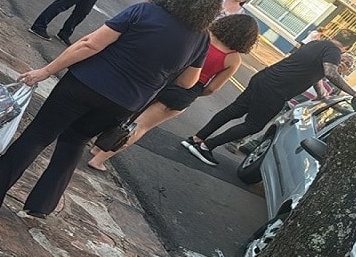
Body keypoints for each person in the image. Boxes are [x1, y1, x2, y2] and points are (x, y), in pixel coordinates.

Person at [0, 0, 222, 218]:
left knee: (37, 136)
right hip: (124, 103)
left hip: (84, 83)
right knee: (74, 144)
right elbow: (188, 81)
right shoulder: (200, 40)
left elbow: (91, 44)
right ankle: (41, 206)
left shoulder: (144, 11)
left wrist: (47, 70)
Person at [87, 13, 259, 171]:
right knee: (141, 126)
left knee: (130, 114)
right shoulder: (233, 59)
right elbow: (212, 88)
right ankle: (100, 159)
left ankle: (97, 147)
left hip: (168, 75)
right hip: (187, 91)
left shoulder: (203, 35)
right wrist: (195, 92)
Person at [185, 29, 356, 166]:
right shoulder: (334, 52)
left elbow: (313, 72)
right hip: (276, 91)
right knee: (253, 125)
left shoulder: (315, 44)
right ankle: (207, 146)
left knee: (233, 110)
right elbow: (330, 72)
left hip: (264, 78)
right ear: (349, 47)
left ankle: (197, 138)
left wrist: (322, 93)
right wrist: (353, 93)